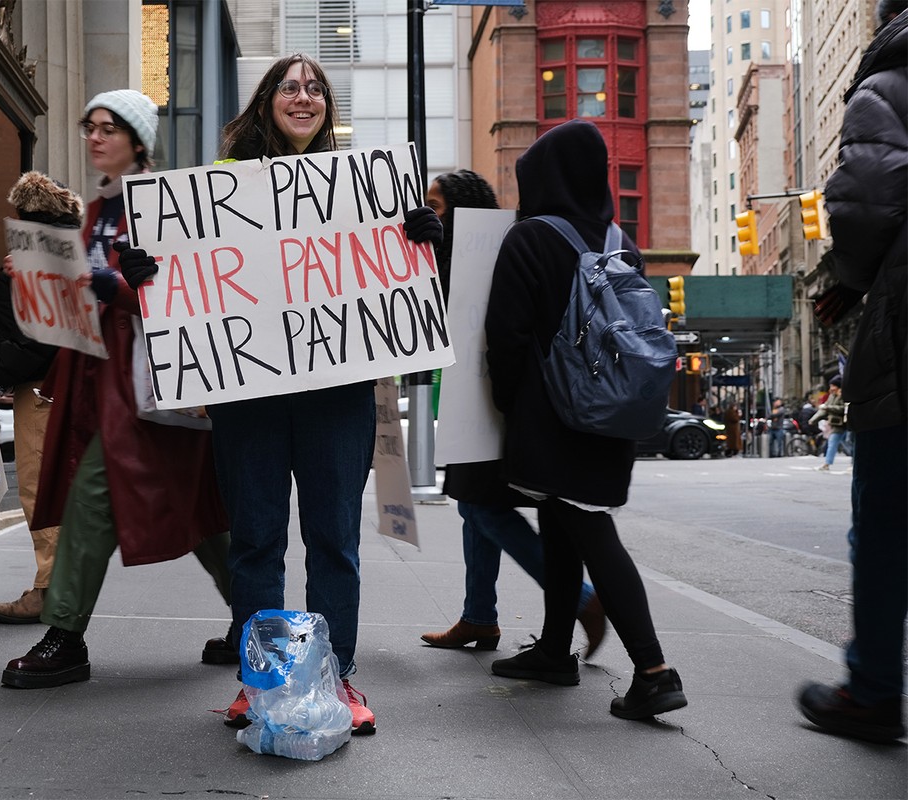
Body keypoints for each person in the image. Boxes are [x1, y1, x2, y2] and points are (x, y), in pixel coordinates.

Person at [118, 55, 444, 736]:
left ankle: (334, 677)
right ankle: (263, 681)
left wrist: (421, 245)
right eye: (290, 87)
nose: (304, 96)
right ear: (267, 100)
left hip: (337, 393)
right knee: (258, 540)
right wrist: (146, 271)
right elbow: (188, 281)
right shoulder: (219, 188)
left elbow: (396, 289)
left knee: (334, 542)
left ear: (328, 105)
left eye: (316, 88)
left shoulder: (367, 194)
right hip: (252, 395)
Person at [0, 90, 235, 690]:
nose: (95, 137)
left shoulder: (162, 203)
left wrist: (112, 287)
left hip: (152, 385)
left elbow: (183, 288)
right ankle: (256, 615)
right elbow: (90, 286)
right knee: (200, 510)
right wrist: (41, 277)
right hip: (108, 384)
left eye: (109, 128)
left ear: (137, 141)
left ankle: (65, 635)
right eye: (91, 127)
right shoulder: (99, 208)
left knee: (98, 498)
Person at [482, 119, 687, 721]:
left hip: (554, 415)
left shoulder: (530, 238)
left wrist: (506, 402)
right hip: (611, 413)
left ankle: (653, 671)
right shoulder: (621, 242)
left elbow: (507, 336)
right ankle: (553, 650)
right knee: (562, 522)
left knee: (590, 530)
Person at [415, 169, 605, 658]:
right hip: (472, 402)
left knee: (479, 506)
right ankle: (479, 616)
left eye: (438, 204)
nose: (430, 211)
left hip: (490, 404)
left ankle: (580, 598)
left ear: (463, 209)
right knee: (473, 507)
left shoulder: (486, 249)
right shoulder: (462, 246)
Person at [797, 1, 906, 744]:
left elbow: (866, 196)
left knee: (887, 525)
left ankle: (871, 691)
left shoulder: (888, 81)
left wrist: (853, 273)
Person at [0, 172, 75, 624]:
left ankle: (49, 589)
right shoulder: (66, 254)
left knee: (41, 488)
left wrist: (3, 362)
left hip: (43, 389)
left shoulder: (37, 261)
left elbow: (33, 335)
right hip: (60, 384)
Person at [809, 376, 847, 471]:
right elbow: (824, 410)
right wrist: (813, 419)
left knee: (848, 444)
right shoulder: (832, 395)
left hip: (846, 423)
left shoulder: (843, 394)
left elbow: (844, 408)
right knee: (834, 443)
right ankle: (827, 464)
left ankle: (853, 464)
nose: (831, 388)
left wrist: (828, 407)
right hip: (837, 425)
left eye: (833, 386)